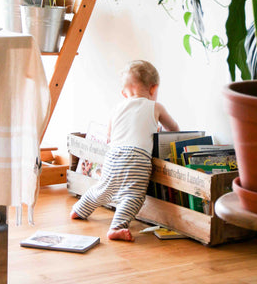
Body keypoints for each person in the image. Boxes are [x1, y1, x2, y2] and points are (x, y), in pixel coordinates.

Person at [70, 60, 180, 241]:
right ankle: (117, 226)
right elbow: (174, 129)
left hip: (114, 155)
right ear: (153, 89)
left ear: (124, 93)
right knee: (133, 196)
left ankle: (79, 210)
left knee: (104, 189)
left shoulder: (116, 109)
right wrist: (156, 131)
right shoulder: (156, 107)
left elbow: (109, 137)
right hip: (138, 158)